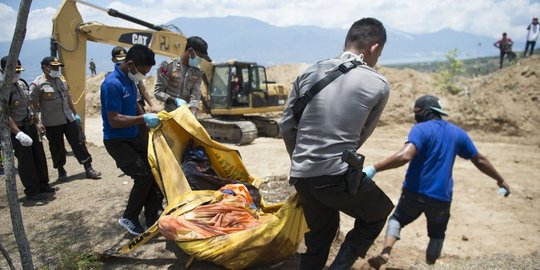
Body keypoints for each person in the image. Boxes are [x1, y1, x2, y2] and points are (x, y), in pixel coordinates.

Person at [279, 18, 393, 270]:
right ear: (374, 48)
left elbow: (286, 127)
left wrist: (300, 161)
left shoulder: (308, 73)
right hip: (336, 175)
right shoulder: (378, 84)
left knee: (319, 237)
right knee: (377, 212)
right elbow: (361, 136)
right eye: (380, 53)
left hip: (302, 175)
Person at [363, 95, 511, 269]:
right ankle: (428, 265)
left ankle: (385, 253)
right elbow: (479, 160)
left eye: (417, 112)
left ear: (426, 112)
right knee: (437, 234)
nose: (415, 116)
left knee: (396, 220)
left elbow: (405, 155)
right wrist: (500, 180)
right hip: (441, 197)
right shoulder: (457, 133)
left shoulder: (420, 129)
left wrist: (374, 168)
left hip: (414, 192)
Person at [100, 44, 163, 235]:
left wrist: (145, 119)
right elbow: (114, 120)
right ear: (131, 64)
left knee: (155, 171)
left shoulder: (130, 80)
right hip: (117, 140)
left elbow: (134, 102)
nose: (142, 76)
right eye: (142, 72)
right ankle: (130, 216)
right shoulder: (112, 84)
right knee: (143, 176)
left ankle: (153, 216)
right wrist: (142, 119)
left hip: (134, 135)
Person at [29, 56, 102, 181]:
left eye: (57, 66)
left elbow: (68, 97)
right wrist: (38, 123)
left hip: (68, 118)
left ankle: (88, 168)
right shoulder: (37, 84)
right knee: (56, 146)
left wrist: (75, 113)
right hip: (52, 122)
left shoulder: (61, 80)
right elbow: (32, 105)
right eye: (53, 67)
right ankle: (61, 171)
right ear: (45, 68)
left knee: (79, 142)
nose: (56, 69)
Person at [1, 56, 54, 201]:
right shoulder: (3, 89)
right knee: (26, 161)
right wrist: (18, 134)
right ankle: (32, 191)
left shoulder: (22, 84)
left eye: (18, 70)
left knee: (39, 156)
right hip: (18, 129)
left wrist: (38, 122)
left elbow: (29, 105)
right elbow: (5, 114)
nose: (17, 73)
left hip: (30, 125)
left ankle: (44, 185)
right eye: (13, 70)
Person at [154, 36, 211, 114]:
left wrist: (192, 114)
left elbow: (195, 95)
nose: (200, 59)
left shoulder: (197, 72)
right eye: (200, 56)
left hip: (187, 115)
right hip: (170, 114)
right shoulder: (167, 66)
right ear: (190, 51)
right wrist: (175, 100)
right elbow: (158, 93)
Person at [109, 46, 157, 113]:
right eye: (119, 59)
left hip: (137, 106)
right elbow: (114, 117)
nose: (121, 61)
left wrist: (151, 106)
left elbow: (142, 91)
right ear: (113, 60)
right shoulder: (112, 81)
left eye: (123, 58)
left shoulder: (133, 74)